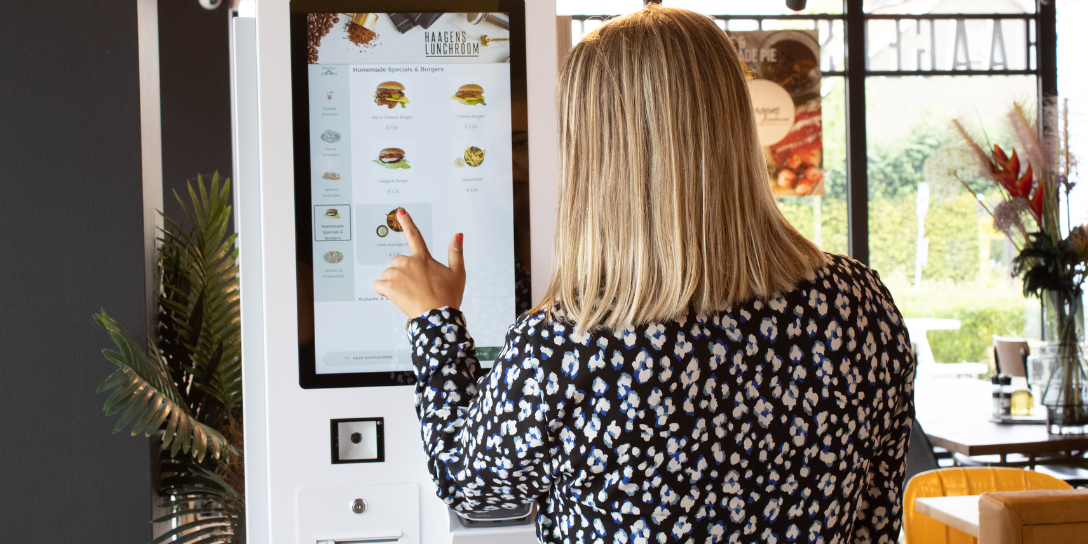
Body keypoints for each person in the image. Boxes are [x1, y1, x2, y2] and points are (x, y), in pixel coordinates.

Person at [373, 5, 915, 543]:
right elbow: (877, 515)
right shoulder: (860, 305)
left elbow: (471, 487)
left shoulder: (570, 344)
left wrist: (435, 322)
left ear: (592, 154)